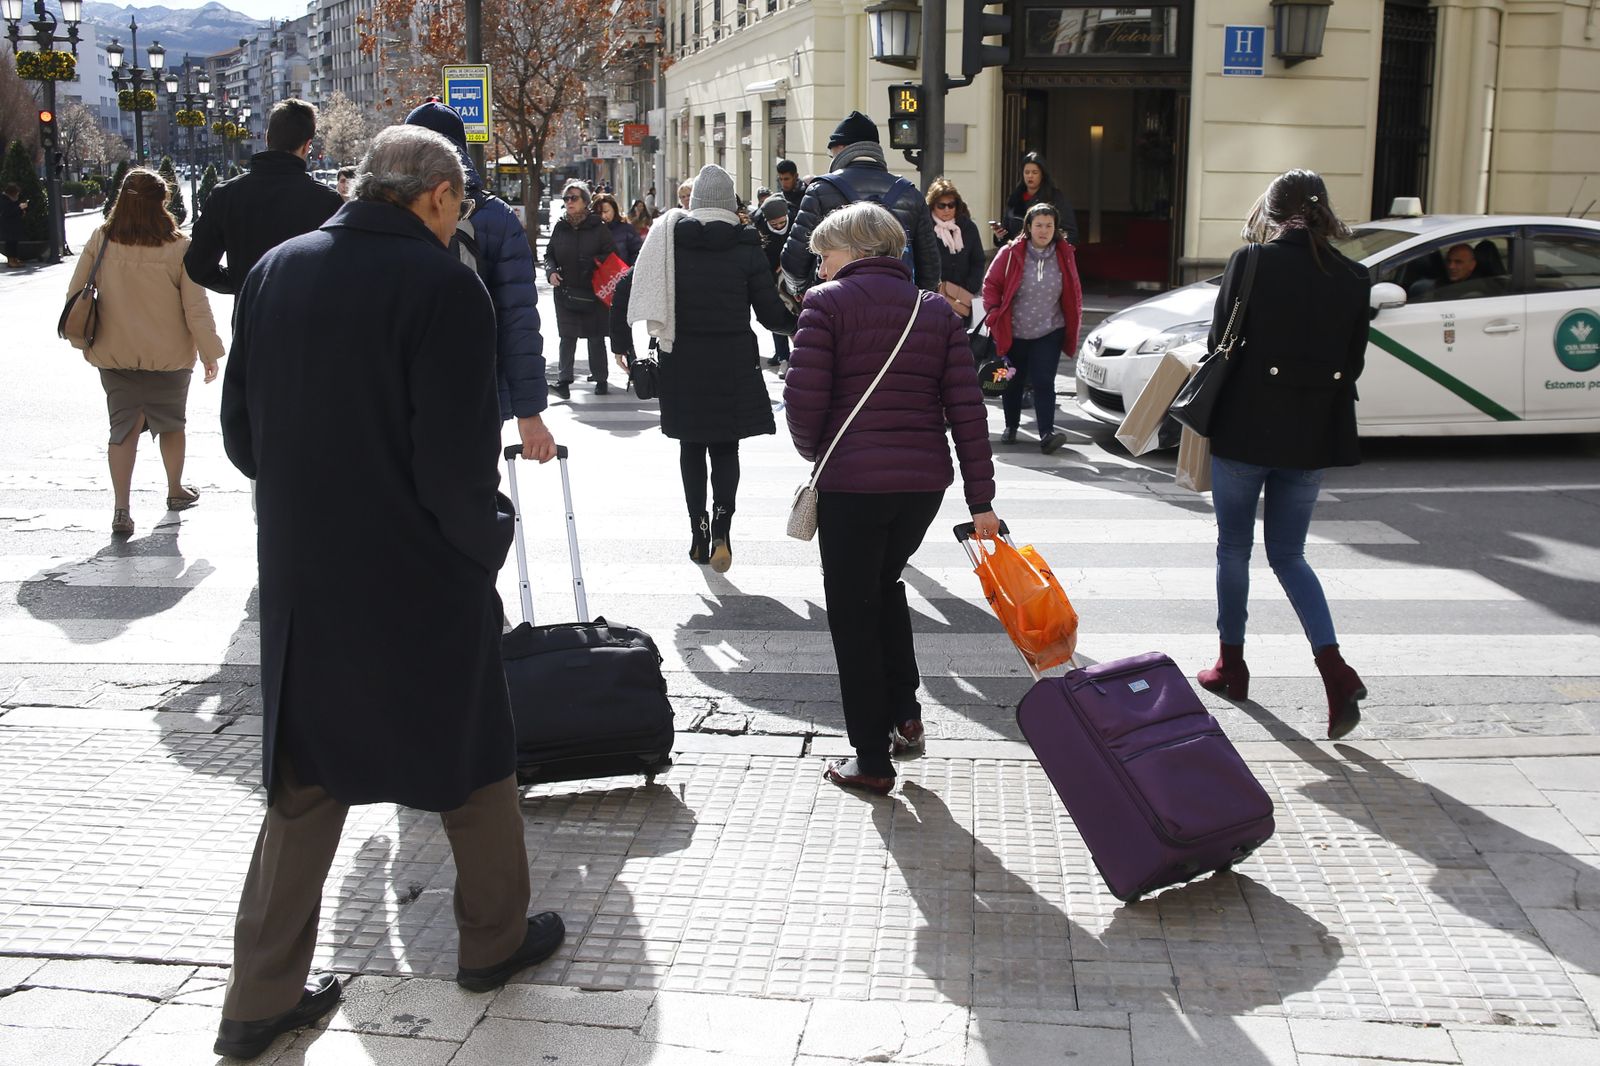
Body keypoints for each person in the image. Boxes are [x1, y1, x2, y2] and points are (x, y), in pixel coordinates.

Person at [215, 125, 565, 1061]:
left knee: (305, 781)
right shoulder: (446, 286)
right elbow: (452, 465)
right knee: (471, 759)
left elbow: (242, 439)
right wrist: (486, 538)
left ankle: (257, 999)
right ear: (440, 198)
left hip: (305, 572)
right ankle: (491, 941)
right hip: (418, 573)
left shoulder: (277, 270)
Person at [783, 203, 999, 793]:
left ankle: (871, 759)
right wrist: (982, 500)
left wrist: (817, 453)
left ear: (854, 250)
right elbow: (967, 413)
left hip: (853, 486)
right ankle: (905, 715)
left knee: (852, 613)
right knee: (884, 588)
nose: (821, 267)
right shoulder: (934, 313)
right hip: (922, 485)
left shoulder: (825, 306)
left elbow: (803, 411)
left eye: (825, 254)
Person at [1194, 169, 1371, 742]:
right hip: (1311, 438)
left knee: (1233, 549)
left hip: (1245, 433)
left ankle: (1232, 665)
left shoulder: (1253, 261)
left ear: (1271, 210)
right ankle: (1334, 669)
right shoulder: (1353, 276)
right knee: (1290, 555)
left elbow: (1220, 336)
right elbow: (1354, 363)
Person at [617, 163, 796, 571]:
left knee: (691, 446)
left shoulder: (668, 244)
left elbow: (630, 285)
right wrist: (801, 323)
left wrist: (622, 341)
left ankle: (697, 531)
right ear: (731, 204)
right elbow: (771, 314)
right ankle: (722, 527)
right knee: (726, 447)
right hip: (732, 360)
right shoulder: (747, 248)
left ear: (694, 202)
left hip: (681, 359)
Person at [65, 167, 225, 538]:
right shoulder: (178, 247)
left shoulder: (101, 239)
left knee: (122, 428)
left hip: (114, 351)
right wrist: (209, 351)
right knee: (172, 423)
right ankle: (174, 490)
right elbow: (195, 306)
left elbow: (76, 292)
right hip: (168, 355)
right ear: (162, 203)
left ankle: (122, 508)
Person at [404, 99, 557, 462]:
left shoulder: (389, 210)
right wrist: (529, 412)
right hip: (476, 390)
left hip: (403, 393)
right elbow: (518, 318)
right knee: (470, 495)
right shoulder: (495, 217)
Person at [185, 99, 344, 298]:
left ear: (268, 138)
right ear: (306, 146)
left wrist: (241, 284)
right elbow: (341, 271)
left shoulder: (226, 195)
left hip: (250, 319)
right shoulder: (328, 202)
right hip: (306, 319)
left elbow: (197, 266)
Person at [779, 110, 940, 297]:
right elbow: (930, 267)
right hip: (896, 304)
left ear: (840, 149)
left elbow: (794, 258)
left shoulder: (820, 190)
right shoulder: (910, 193)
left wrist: (800, 290)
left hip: (836, 303)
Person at [980, 202, 1083, 453]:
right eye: (1039, 225)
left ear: (1056, 228)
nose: (1044, 230)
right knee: (1012, 382)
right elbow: (991, 284)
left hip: (1050, 330)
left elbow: (1074, 289)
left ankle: (1047, 433)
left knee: (1043, 381)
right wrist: (993, 313)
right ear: (1028, 227)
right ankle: (1011, 426)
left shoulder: (1064, 253)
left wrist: (1074, 320)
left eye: (1049, 225)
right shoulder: (1011, 252)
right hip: (1013, 330)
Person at [543, 180, 616, 398]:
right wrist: (551, 271)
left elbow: (611, 254)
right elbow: (549, 254)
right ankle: (564, 382)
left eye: (574, 198)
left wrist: (593, 262)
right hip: (565, 289)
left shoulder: (598, 227)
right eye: (566, 198)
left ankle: (601, 380)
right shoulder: (560, 226)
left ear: (585, 201)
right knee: (567, 336)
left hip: (591, 290)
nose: (569, 202)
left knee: (595, 337)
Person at [926, 177, 985, 328]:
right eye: (941, 205)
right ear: (933, 206)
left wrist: (968, 288)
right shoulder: (925, 228)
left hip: (963, 300)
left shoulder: (968, 227)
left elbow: (978, 261)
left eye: (951, 205)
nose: (947, 209)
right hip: (932, 299)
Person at [990, 151, 1079, 247]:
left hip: (1046, 255)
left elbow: (1070, 234)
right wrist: (1000, 235)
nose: (1030, 176)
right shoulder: (1014, 198)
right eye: (1026, 172)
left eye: (1035, 172)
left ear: (1042, 174)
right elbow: (1007, 234)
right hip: (1017, 254)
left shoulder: (1055, 198)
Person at [755, 196, 795, 371]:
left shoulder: (797, 221)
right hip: (770, 278)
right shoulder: (757, 227)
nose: (779, 227)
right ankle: (783, 358)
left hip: (795, 276)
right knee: (777, 317)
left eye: (781, 223)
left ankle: (799, 354)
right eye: (774, 224)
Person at [593, 192, 643, 264]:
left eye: (606, 211)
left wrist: (630, 271)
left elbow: (637, 253)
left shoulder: (627, 229)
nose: (603, 216)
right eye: (599, 213)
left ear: (614, 209)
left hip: (623, 272)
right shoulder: (592, 231)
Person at [1, 182, 26, 267]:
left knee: (14, 242)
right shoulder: (4, 200)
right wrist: (19, 208)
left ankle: (15, 258)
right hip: (8, 225)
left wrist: (22, 209)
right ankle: (11, 260)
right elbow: (8, 212)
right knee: (10, 242)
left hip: (14, 224)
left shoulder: (13, 199)